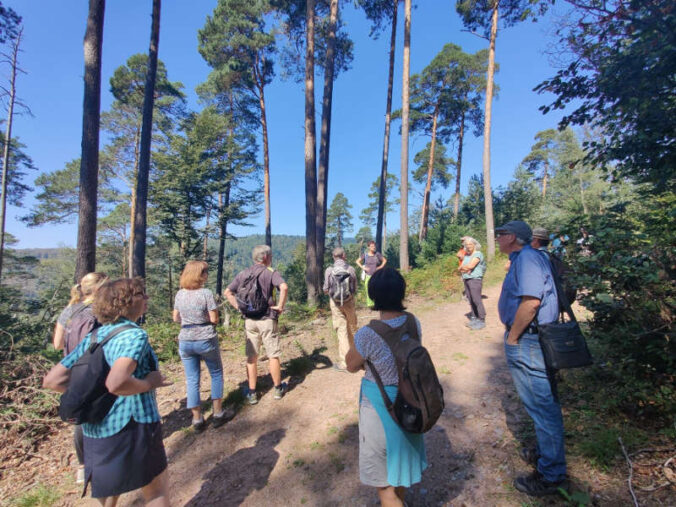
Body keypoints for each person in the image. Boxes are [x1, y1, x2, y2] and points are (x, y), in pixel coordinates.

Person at [43, 278, 171, 506]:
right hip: (135, 424)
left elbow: (53, 380)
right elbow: (117, 382)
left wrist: (95, 397)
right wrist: (148, 383)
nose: (147, 299)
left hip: (96, 428)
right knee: (156, 490)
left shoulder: (97, 335)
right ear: (125, 302)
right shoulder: (133, 335)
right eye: (142, 294)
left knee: (108, 494)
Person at [495, 220, 568, 496]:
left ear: (512, 237)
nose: (497, 238)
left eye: (500, 234)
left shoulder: (526, 259)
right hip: (535, 338)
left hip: (528, 339)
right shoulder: (529, 257)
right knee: (544, 402)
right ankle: (546, 454)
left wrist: (513, 338)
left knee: (542, 406)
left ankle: (552, 475)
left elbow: (531, 302)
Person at [345, 267, 427, 506]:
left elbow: (351, 365)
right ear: (401, 292)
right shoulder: (413, 322)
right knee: (398, 465)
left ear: (374, 297)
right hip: (411, 400)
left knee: (383, 482)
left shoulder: (368, 334)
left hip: (380, 406)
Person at [52, 271, 108, 484]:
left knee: (80, 417)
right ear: (99, 289)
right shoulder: (98, 311)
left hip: (72, 368)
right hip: (94, 365)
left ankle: (83, 466)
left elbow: (57, 344)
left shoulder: (69, 310)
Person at [224, 245, 289, 405]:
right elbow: (284, 287)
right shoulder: (270, 273)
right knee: (273, 354)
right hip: (267, 318)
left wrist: (239, 308)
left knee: (251, 357)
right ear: (266, 257)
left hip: (250, 321)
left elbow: (228, 292)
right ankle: (278, 388)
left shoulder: (243, 274)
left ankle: (252, 393)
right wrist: (280, 306)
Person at [173, 260, 229, 431]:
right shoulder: (205, 293)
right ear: (199, 275)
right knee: (216, 373)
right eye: (205, 272)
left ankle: (197, 419)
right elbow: (213, 319)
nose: (207, 275)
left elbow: (176, 318)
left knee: (192, 379)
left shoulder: (180, 294)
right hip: (205, 338)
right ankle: (218, 413)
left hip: (185, 339)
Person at [322, 247, 358, 372]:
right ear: (344, 256)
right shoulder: (351, 269)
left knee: (341, 331)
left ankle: (345, 362)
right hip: (349, 302)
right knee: (353, 327)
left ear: (333, 257)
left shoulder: (329, 270)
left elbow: (326, 289)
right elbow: (354, 288)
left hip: (335, 304)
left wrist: (334, 296)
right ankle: (358, 357)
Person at [459, 237, 487, 330]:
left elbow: (470, 266)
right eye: (466, 245)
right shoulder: (467, 255)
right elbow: (461, 267)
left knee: (476, 299)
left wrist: (465, 268)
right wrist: (465, 268)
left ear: (475, 245)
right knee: (470, 299)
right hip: (466, 279)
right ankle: (474, 317)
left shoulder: (478, 254)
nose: (468, 246)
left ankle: (481, 319)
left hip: (475, 279)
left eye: (470, 244)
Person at [356, 240, 387, 307]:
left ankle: (378, 303)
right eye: (372, 246)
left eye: (374, 246)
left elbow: (384, 260)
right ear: (368, 247)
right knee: (368, 291)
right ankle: (370, 305)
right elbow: (357, 261)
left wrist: (380, 267)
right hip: (368, 276)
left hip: (377, 276)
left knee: (378, 290)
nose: (374, 247)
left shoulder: (377, 254)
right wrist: (363, 268)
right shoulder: (365, 255)